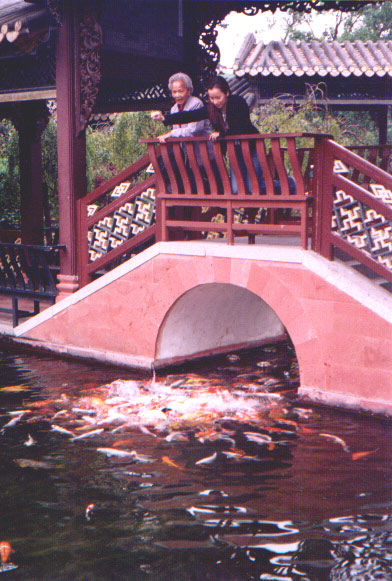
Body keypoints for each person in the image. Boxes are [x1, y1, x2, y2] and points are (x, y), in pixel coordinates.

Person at [153, 75, 295, 196]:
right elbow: (191, 115)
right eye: (211, 98)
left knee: (254, 187)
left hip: (253, 148)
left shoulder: (238, 103)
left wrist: (222, 134)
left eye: (218, 97)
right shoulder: (212, 108)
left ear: (226, 93)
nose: (215, 102)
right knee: (235, 189)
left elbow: (241, 126)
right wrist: (165, 118)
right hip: (236, 151)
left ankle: (289, 183)